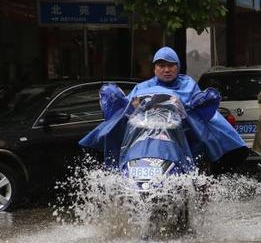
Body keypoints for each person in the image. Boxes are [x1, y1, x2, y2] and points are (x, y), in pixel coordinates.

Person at [81, 46, 248, 172]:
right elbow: (126, 110)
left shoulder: (188, 85)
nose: (166, 70)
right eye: (161, 65)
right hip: (146, 140)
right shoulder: (142, 87)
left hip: (183, 138)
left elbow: (197, 110)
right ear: (154, 68)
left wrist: (188, 108)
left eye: (171, 65)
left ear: (178, 66)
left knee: (202, 158)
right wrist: (125, 103)